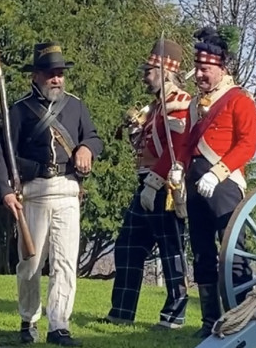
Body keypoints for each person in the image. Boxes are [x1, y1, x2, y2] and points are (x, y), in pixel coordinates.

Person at [0, 42, 103, 347]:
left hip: (67, 190)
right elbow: (3, 153)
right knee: (30, 263)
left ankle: (59, 324)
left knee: (66, 262)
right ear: (36, 76)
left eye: (59, 73)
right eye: (50, 74)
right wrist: (5, 192)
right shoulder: (19, 110)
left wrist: (86, 148)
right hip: (34, 192)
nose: (57, 79)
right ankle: (28, 320)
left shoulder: (76, 106)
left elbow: (93, 138)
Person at [100, 39, 190, 328]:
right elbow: (146, 149)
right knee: (127, 247)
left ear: (165, 71)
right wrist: (137, 132)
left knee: (171, 251)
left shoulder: (179, 104)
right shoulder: (156, 107)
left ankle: (174, 315)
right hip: (145, 185)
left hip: (166, 187)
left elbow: (177, 148)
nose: (144, 75)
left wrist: (154, 182)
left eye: (149, 70)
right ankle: (122, 312)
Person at [184, 26, 256, 338]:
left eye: (205, 69)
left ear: (221, 68)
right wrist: (179, 167)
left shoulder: (239, 100)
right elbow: (189, 145)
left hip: (225, 184)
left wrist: (217, 172)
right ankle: (208, 320)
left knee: (233, 253)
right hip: (194, 185)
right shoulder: (193, 104)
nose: (199, 75)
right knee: (201, 252)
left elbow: (247, 144)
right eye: (197, 69)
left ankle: (240, 319)